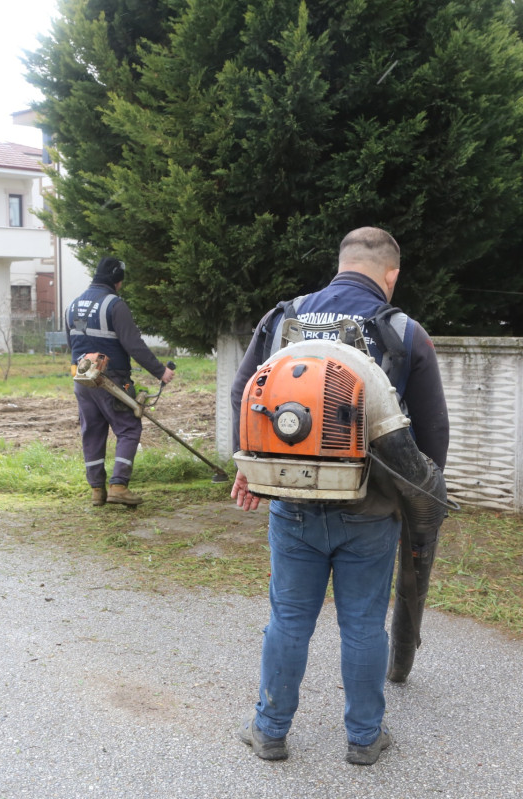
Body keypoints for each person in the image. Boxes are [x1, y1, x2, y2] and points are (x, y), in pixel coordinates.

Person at [229, 226, 449, 765]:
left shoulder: (282, 317)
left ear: (340, 263)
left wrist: (252, 465)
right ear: (390, 275)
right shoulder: (403, 330)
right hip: (371, 513)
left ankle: (270, 730)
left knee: (288, 620)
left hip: (294, 505)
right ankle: (364, 738)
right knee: (362, 625)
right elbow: (433, 434)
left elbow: (243, 394)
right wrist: (414, 499)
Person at [67, 256, 175, 507]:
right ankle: (118, 486)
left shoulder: (72, 306)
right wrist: (161, 372)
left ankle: (97, 491)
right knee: (129, 428)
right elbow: (133, 344)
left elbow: (72, 345)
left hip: (82, 379)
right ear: (117, 280)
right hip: (110, 379)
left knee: (92, 432)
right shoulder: (114, 305)